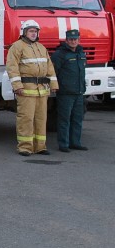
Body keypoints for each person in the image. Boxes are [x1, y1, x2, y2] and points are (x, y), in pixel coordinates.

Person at [6, 20, 58, 156]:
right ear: (24, 32)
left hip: (42, 90)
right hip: (26, 90)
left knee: (41, 119)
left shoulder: (41, 47)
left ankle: (40, 147)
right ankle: (25, 147)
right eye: (31, 31)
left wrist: (53, 85)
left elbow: (49, 67)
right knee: (26, 119)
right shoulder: (17, 47)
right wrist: (17, 86)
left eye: (35, 31)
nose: (33, 34)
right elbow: (12, 67)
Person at [51, 29, 88, 152]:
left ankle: (75, 143)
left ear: (79, 40)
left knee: (77, 119)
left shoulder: (81, 53)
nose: (73, 41)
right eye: (71, 39)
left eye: (75, 39)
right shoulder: (59, 54)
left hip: (79, 92)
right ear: (66, 40)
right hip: (65, 93)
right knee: (64, 119)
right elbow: (53, 72)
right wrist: (54, 86)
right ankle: (64, 144)